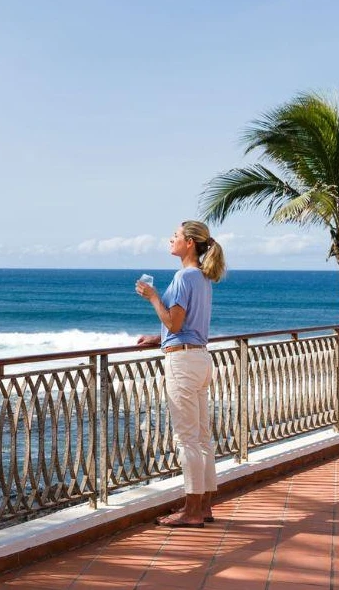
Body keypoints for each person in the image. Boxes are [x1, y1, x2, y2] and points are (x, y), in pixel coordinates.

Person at [134, 220, 227, 528]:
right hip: (200, 358)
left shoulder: (183, 277)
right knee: (201, 438)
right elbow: (186, 326)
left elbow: (175, 323)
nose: (170, 239)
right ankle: (205, 505)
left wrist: (153, 298)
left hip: (183, 363)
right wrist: (158, 337)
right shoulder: (202, 277)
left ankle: (191, 511)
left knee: (186, 439)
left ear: (189, 242)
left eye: (174, 235)